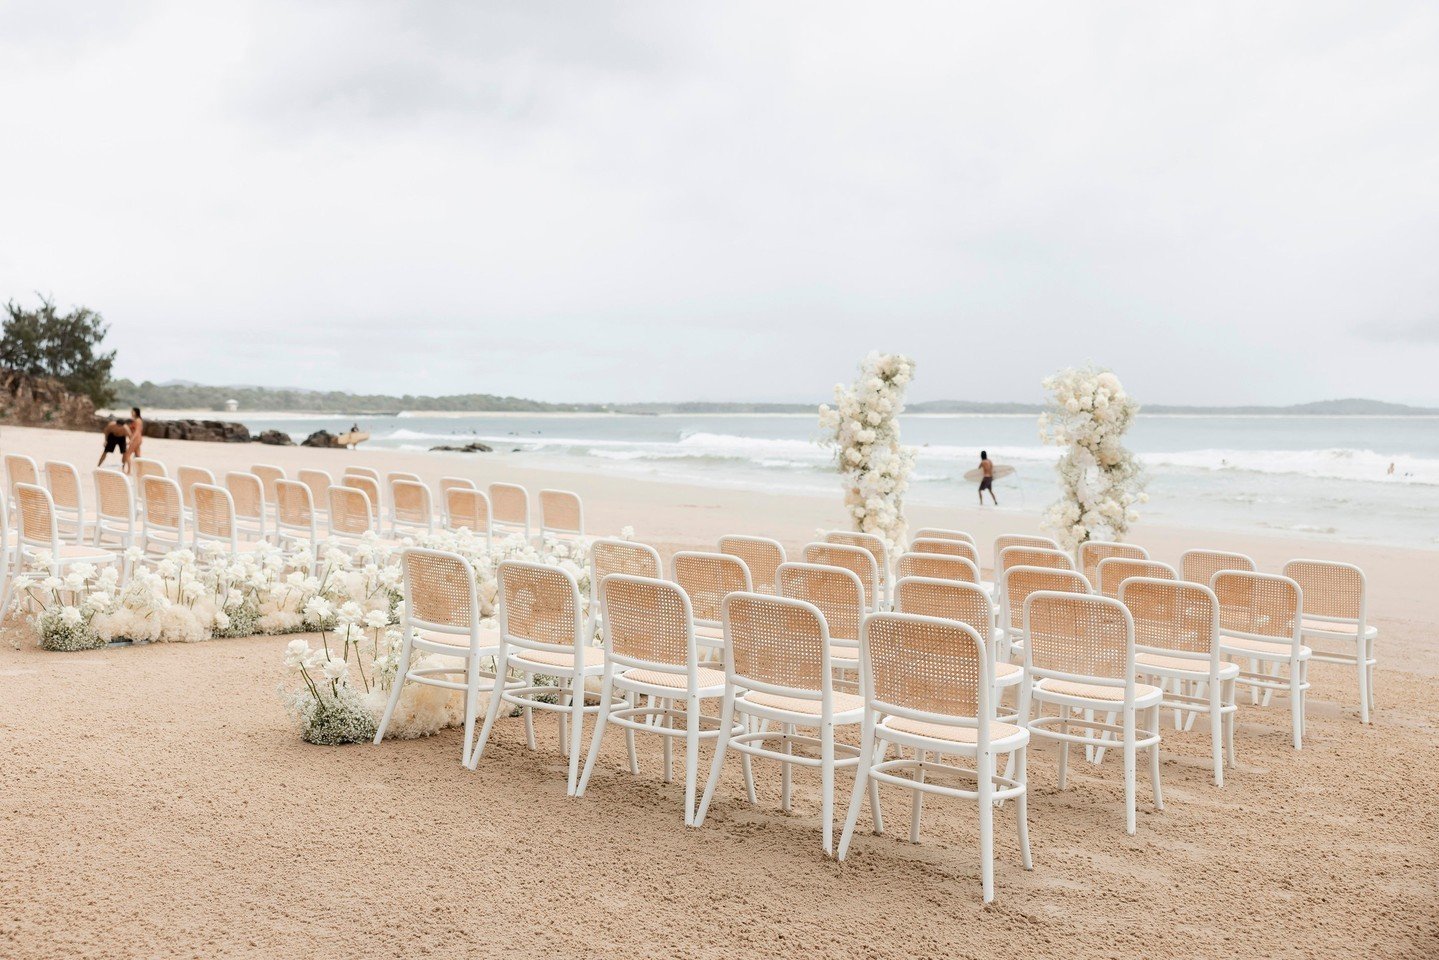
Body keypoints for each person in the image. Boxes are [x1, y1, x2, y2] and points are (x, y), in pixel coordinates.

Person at [125, 407, 144, 472]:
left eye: (132, 411)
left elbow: (137, 431)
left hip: (136, 439)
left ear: (136, 412)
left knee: (127, 455)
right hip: (138, 439)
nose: (131, 413)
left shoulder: (137, 420)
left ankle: (129, 471)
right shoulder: (137, 420)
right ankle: (140, 471)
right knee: (138, 456)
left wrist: (131, 440)